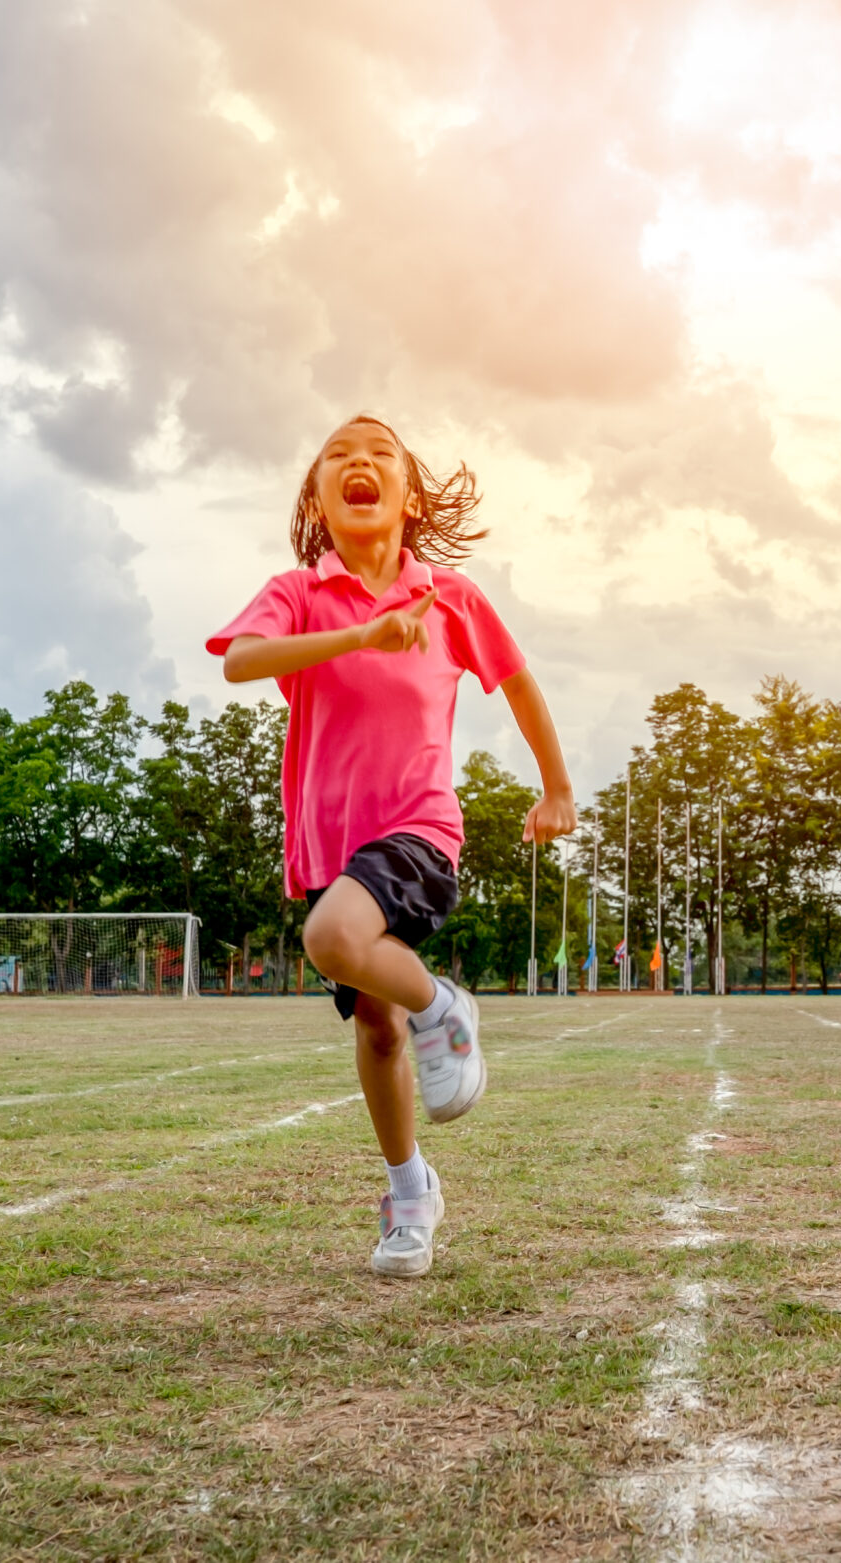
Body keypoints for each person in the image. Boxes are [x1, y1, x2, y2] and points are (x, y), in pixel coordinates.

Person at [212, 415, 575, 1276]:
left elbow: (518, 682)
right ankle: (411, 1196)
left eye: (380, 453)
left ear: (408, 497)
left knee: (333, 938)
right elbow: (241, 661)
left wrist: (556, 787)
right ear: (318, 500)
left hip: (418, 828)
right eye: (338, 454)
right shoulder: (298, 593)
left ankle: (444, 1007)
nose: (359, 460)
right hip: (327, 850)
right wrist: (360, 636)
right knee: (376, 1025)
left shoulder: (449, 597)